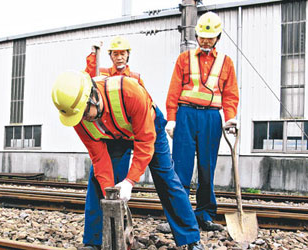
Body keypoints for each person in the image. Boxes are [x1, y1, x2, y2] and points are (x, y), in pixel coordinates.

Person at [52, 71, 203, 250]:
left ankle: (192, 240)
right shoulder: (77, 116)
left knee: (166, 178)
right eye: (79, 117)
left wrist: (130, 181)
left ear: (92, 96)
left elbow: (145, 143)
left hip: (148, 127)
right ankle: (93, 241)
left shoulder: (129, 92)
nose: (84, 119)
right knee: (96, 178)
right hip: (114, 135)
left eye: (85, 113)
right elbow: (99, 158)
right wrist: (111, 197)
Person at [165, 11, 239, 231]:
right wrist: (171, 119)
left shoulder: (226, 62)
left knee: (207, 168)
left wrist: (230, 117)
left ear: (218, 38)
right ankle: (179, 217)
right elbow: (174, 90)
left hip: (211, 118)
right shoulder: (184, 59)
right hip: (185, 115)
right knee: (181, 168)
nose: (206, 41)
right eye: (202, 37)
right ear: (196, 36)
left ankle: (204, 215)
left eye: (211, 37)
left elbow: (230, 94)